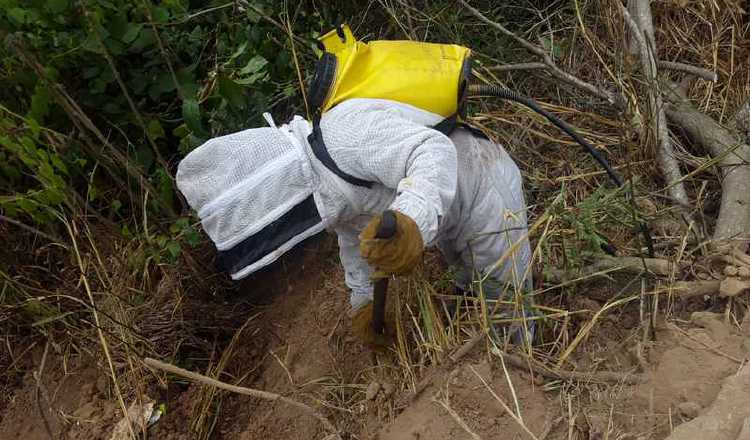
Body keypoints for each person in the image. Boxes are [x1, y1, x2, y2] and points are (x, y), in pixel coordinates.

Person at [176, 98, 533, 346]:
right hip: (449, 217)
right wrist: (362, 302)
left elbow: (432, 150)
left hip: (484, 189)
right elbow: (353, 239)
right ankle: (472, 295)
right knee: (469, 274)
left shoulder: (344, 135)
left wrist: (412, 218)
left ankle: (521, 371)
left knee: (508, 306)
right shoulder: (323, 190)